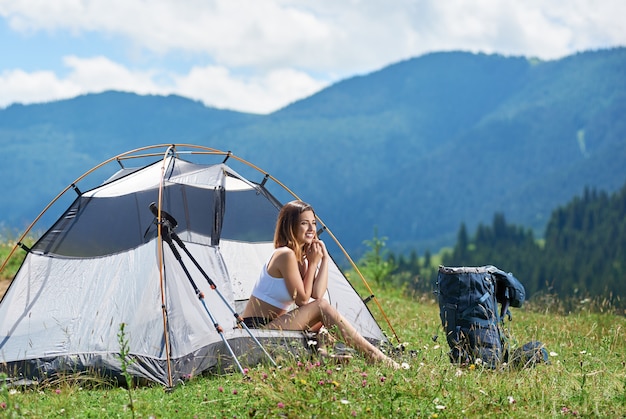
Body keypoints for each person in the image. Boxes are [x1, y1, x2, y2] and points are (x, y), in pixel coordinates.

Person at [242, 200, 401, 369]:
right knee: (321, 308)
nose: (311, 229)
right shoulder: (285, 255)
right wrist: (312, 264)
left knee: (321, 315)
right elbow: (303, 300)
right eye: (304, 223)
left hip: (276, 325)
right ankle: (374, 356)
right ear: (290, 226)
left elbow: (317, 293)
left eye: (313, 223)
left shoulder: (299, 259)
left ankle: (322, 353)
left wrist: (323, 259)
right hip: (257, 330)